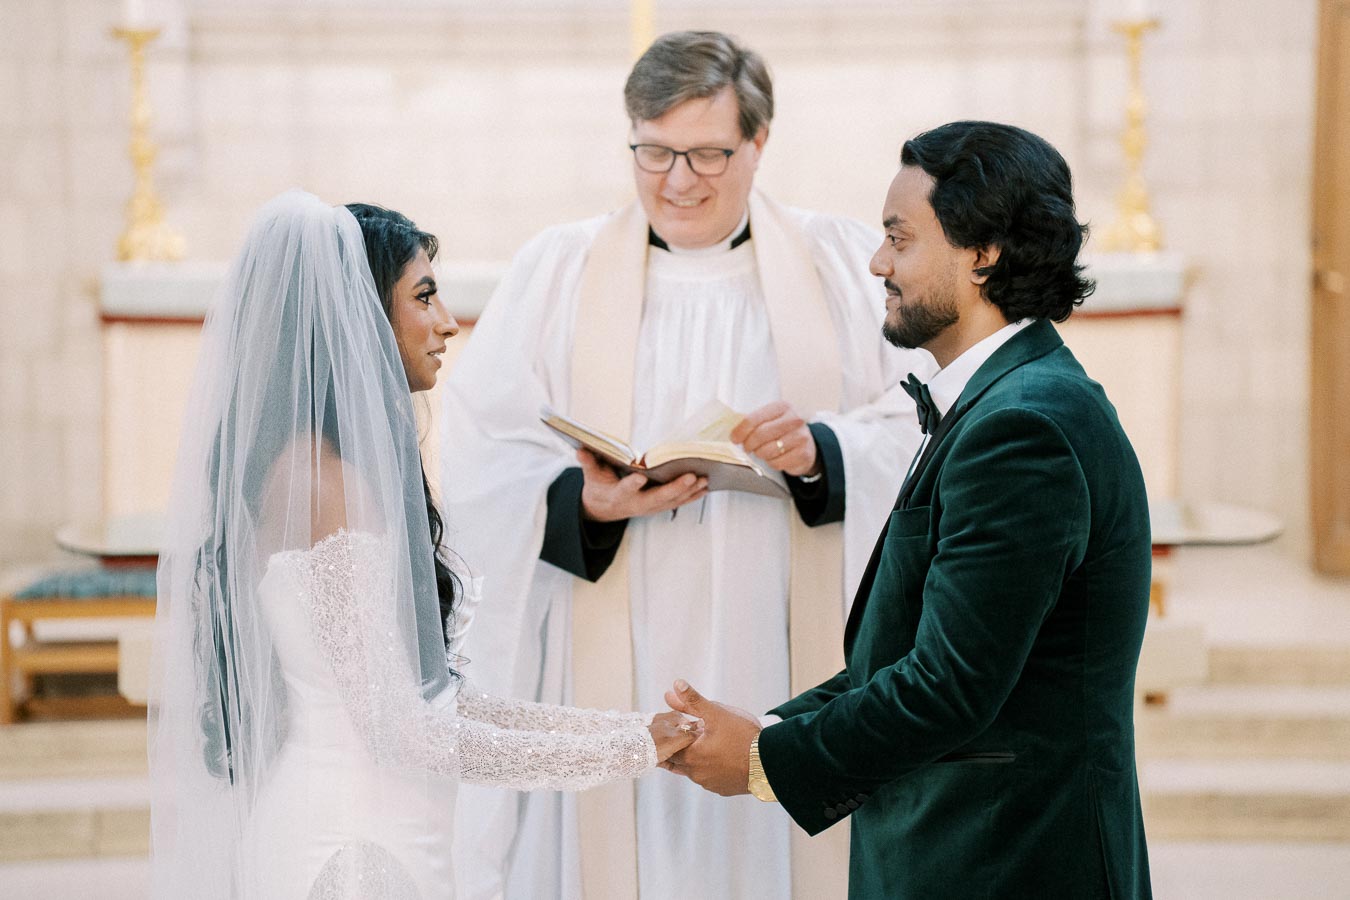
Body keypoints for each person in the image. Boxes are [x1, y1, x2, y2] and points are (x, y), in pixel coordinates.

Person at [441, 31, 932, 900]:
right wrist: (583, 505)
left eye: (707, 153)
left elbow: (922, 424)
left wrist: (826, 452)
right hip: (610, 640)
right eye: (654, 152)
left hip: (781, 633)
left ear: (759, 143)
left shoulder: (839, 264)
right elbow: (482, 450)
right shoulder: (559, 269)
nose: (677, 180)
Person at [147, 192, 696, 900]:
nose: (447, 323)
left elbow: (437, 701)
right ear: (360, 315)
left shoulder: (320, 470)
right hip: (349, 850)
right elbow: (403, 730)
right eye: (425, 296)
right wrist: (630, 750)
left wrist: (631, 731)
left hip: (377, 832)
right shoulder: (324, 484)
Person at [663, 121, 1155, 899]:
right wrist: (764, 729)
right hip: (961, 845)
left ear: (983, 253)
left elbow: (948, 684)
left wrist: (765, 761)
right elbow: (906, 653)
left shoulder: (1023, 429)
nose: (876, 262)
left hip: (1007, 857)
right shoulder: (997, 402)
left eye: (899, 238)